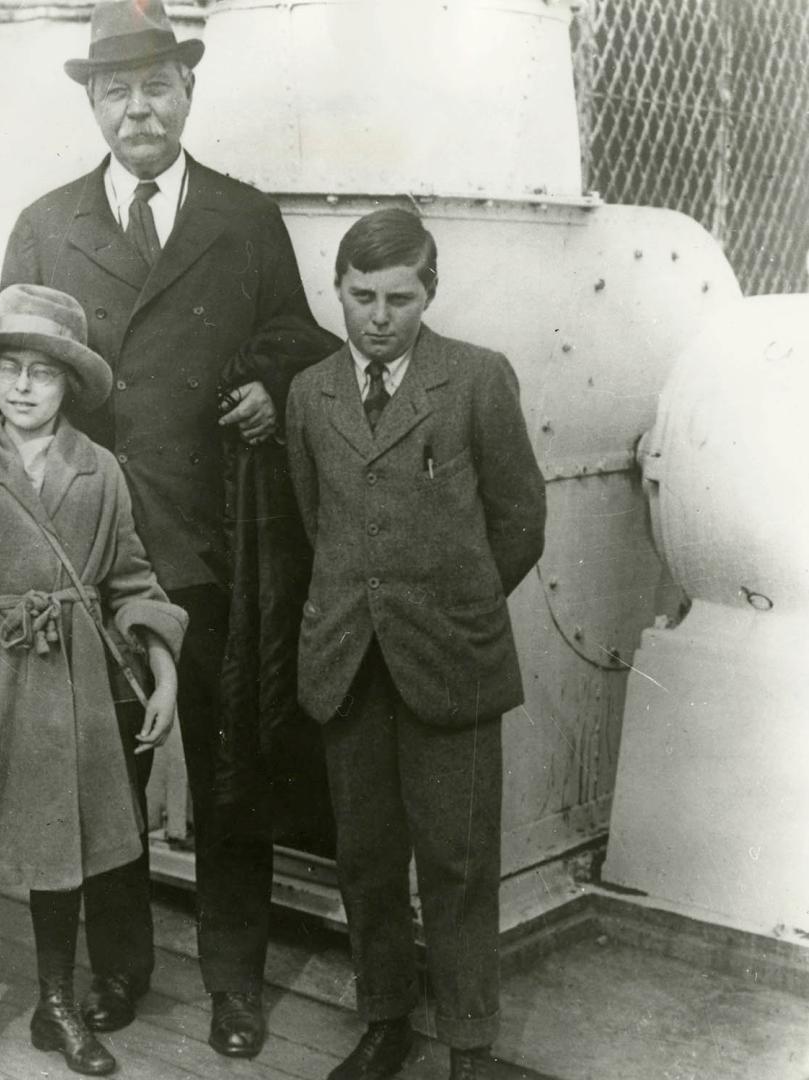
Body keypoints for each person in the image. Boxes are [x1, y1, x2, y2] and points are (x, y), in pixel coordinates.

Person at [0, 0, 316, 1055]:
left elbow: (299, 336)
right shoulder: (48, 224)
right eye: (115, 89)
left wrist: (271, 384)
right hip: (82, 554)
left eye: (154, 85)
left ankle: (234, 982)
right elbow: (3, 360)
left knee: (228, 774)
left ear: (186, 91)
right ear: (91, 103)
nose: (136, 106)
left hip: (206, 545)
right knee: (100, 783)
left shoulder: (243, 218)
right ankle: (116, 974)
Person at [0, 282, 186, 1079]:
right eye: (9, 368)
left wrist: (162, 671)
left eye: (42, 373)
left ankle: (56, 1001)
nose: (22, 386)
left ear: (69, 385)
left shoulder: (102, 473)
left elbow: (129, 578)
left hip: (70, 686)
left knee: (62, 852)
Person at [285, 209, 547, 1080]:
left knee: (459, 861)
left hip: (451, 660)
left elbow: (518, 522)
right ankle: (384, 1019)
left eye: (399, 297)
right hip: (348, 664)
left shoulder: (474, 380)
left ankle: (469, 1043)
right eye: (361, 296)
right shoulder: (311, 392)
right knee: (364, 857)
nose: (378, 316)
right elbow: (314, 518)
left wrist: (450, 606)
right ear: (339, 292)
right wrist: (368, 604)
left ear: (428, 293)